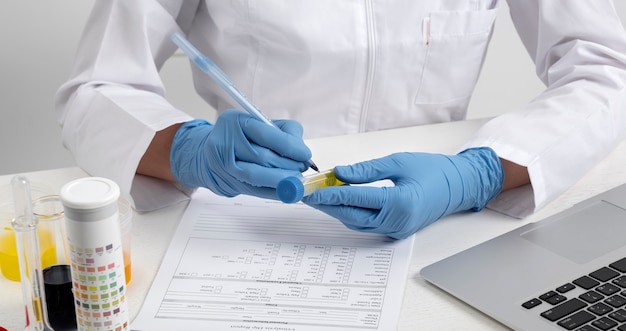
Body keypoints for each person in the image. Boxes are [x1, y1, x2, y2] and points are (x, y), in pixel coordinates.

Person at [55, 1, 626, 239]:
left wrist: (476, 175)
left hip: (448, 224)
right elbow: (96, 89)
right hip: (248, 224)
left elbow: (607, 70)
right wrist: (190, 150)